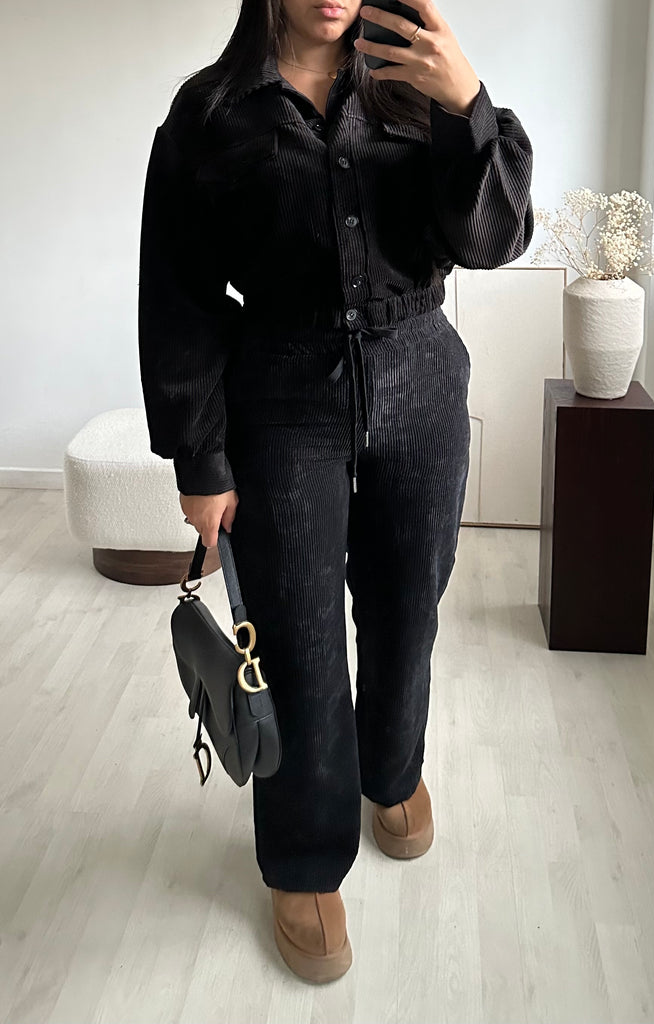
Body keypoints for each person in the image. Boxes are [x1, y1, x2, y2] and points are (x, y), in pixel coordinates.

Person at [138, 0, 534, 984]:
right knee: (298, 637)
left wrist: (467, 107)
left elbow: (493, 241)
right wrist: (199, 460)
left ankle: (391, 772)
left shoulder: (422, 89)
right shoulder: (210, 114)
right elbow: (179, 294)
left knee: (408, 608)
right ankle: (306, 856)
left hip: (418, 373)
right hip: (279, 391)